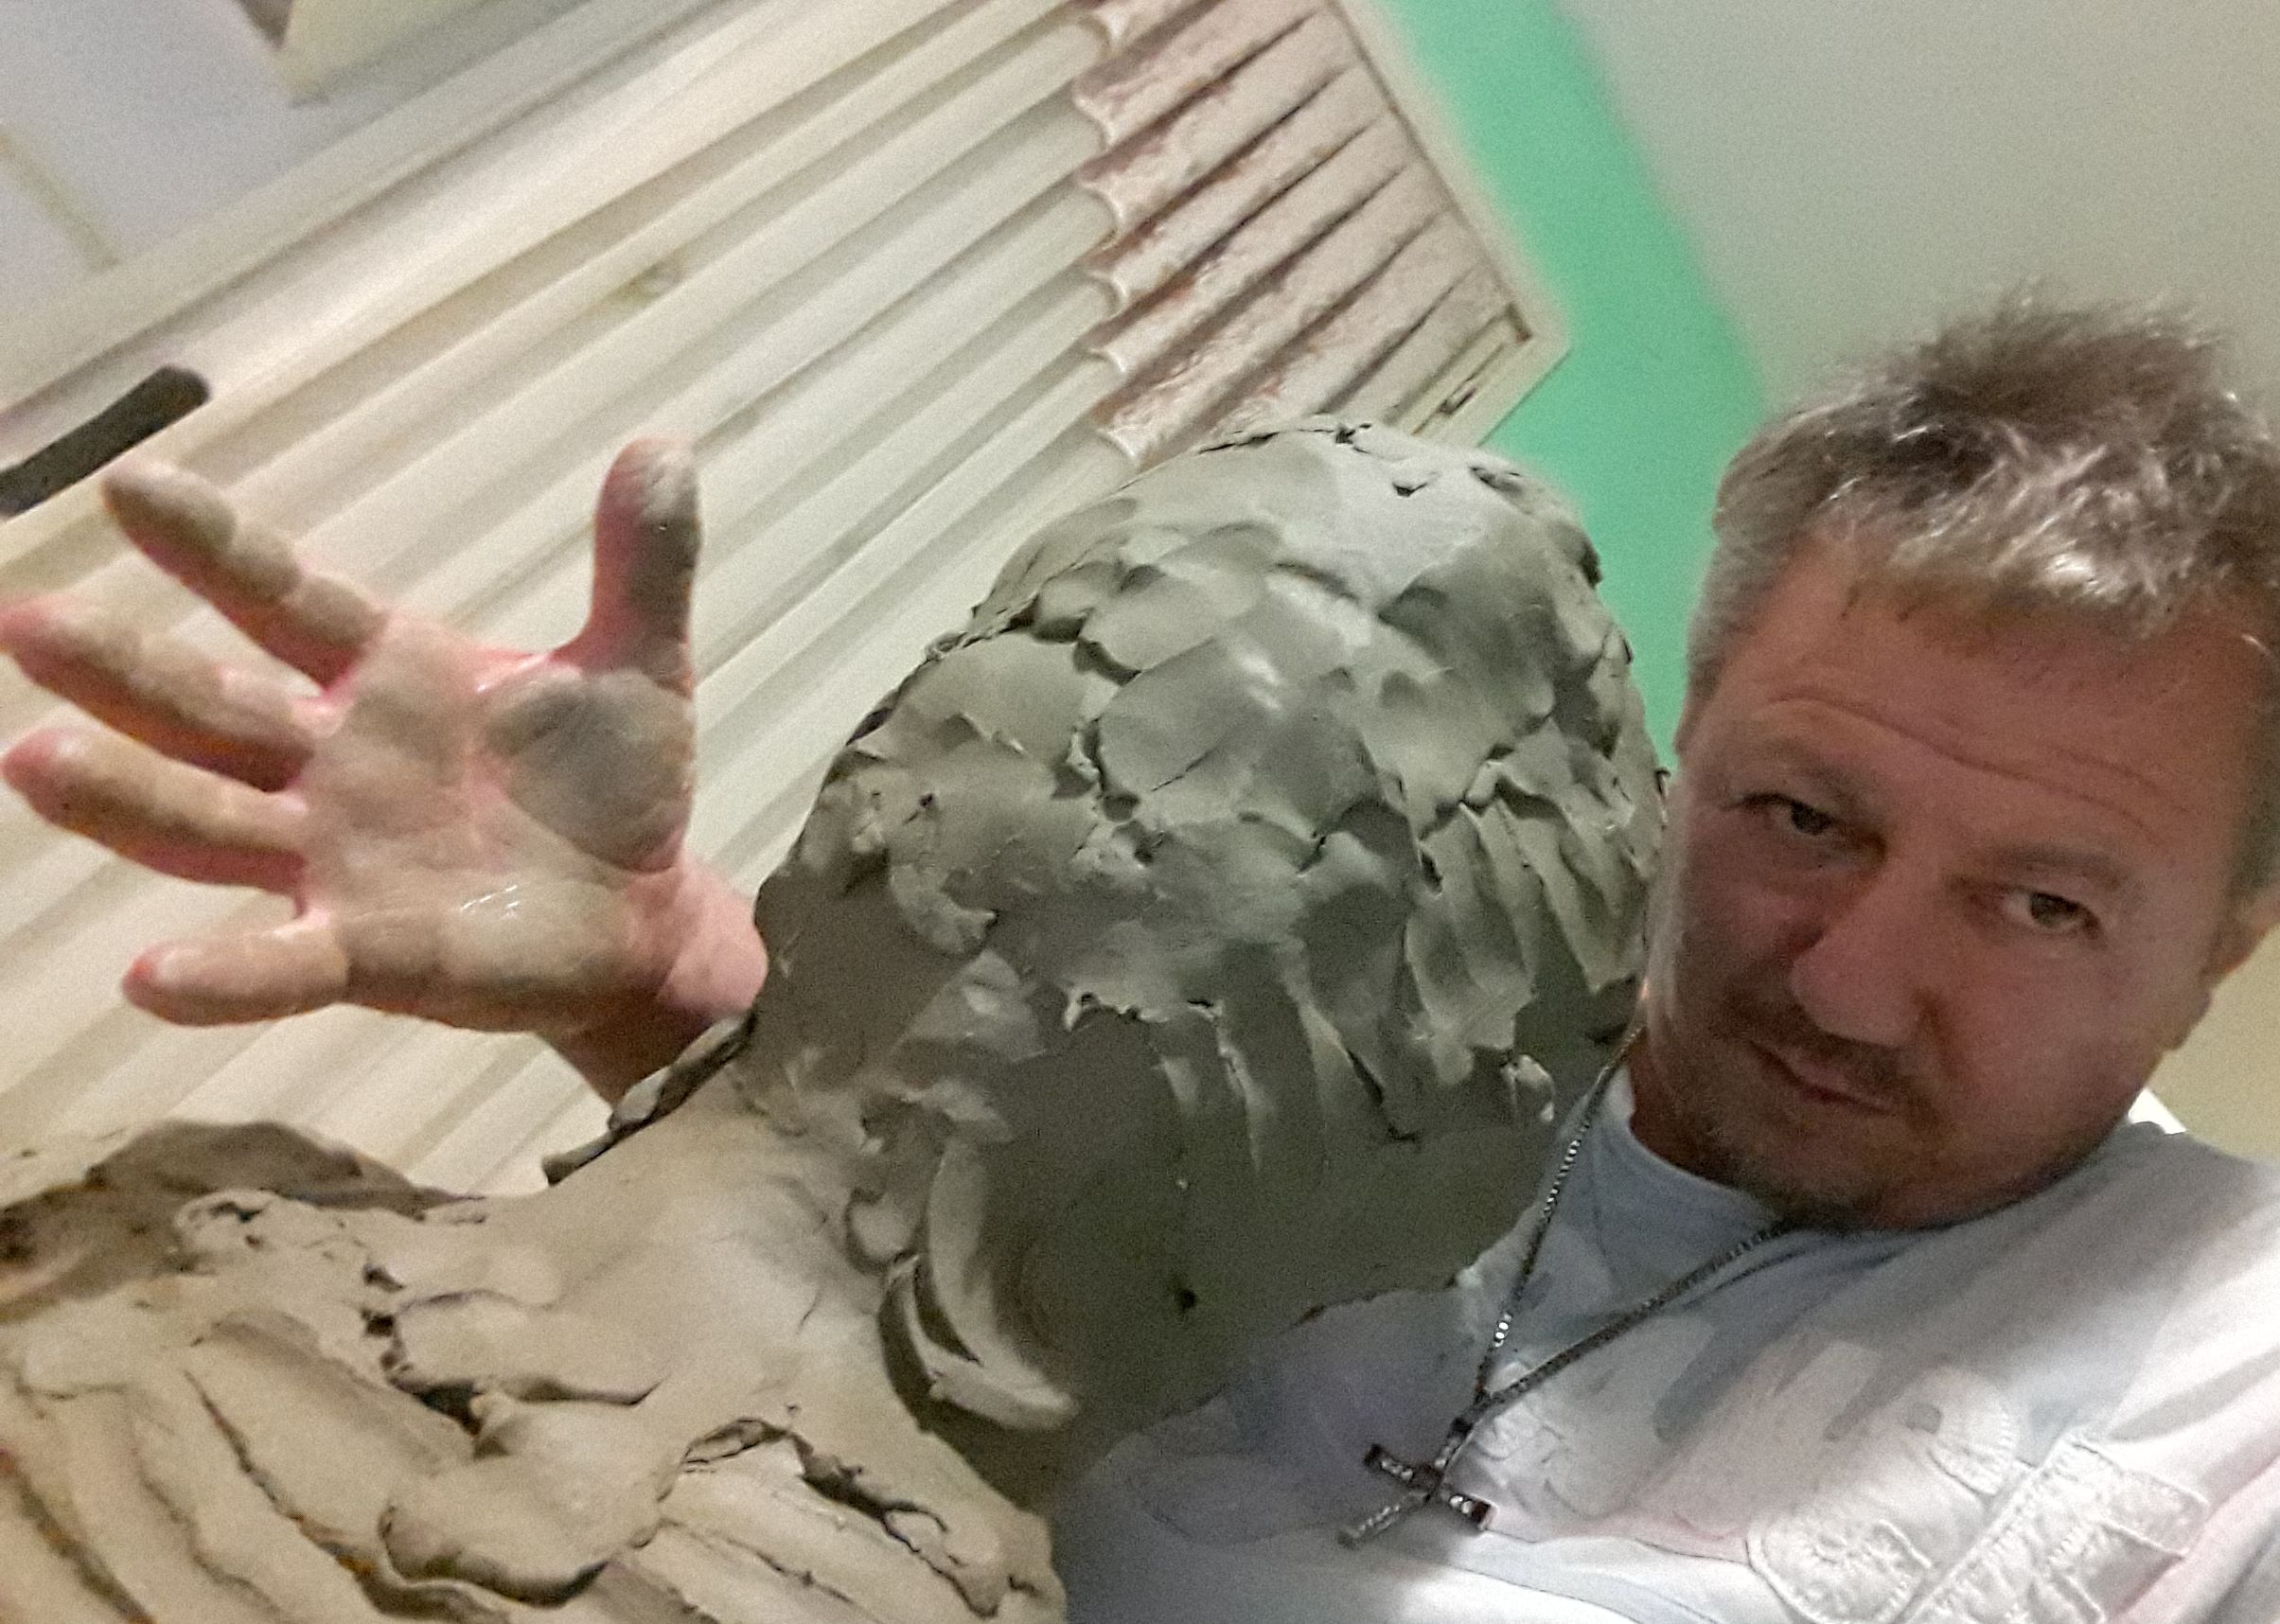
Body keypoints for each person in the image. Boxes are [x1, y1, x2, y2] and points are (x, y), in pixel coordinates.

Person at [7, 296, 2280, 1622]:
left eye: (2041, 904)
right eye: (1800, 817)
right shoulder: (1429, 995)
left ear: (2226, 945)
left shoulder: (2226, 1383)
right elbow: (984, 1254)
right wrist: (672, 981)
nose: (1847, 979)